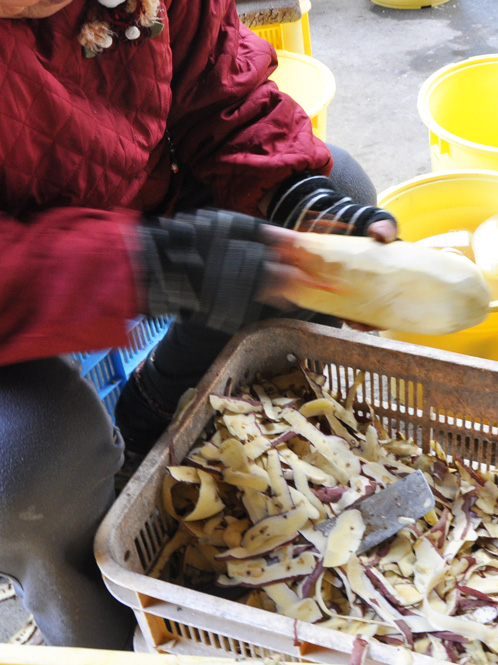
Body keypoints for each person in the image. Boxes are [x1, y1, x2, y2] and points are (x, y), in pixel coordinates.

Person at [0, 0, 398, 649]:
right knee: (27, 475)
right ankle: (99, 623)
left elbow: (219, 85)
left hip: (118, 197)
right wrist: (149, 266)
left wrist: (294, 196)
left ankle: (156, 413)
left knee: (336, 190)